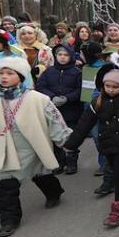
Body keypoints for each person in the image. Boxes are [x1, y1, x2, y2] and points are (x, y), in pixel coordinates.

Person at [0, 57, 69, 237]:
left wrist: (63, 139)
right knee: (6, 185)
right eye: (1, 73)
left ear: (21, 76)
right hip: (4, 149)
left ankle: (54, 192)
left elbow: (55, 120)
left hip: (32, 147)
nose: (4, 77)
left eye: (10, 73)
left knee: (41, 174)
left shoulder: (38, 99)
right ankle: (9, 219)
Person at [64, 59, 119, 228]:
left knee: (117, 174)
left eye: (115, 86)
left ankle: (117, 209)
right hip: (108, 143)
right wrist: (71, 144)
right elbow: (84, 123)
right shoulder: (98, 102)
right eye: (107, 86)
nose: (110, 89)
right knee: (118, 172)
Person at [35, 44, 83, 175]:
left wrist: (67, 98)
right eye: (60, 55)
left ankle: (71, 162)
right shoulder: (49, 71)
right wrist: (51, 97)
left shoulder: (77, 72)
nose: (62, 57)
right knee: (55, 136)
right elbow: (40, 86)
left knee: (71, 136)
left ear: (71, 56)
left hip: (71, 110)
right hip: (52, 109)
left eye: (66, 55)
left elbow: (80, 90)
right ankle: (59, 162)